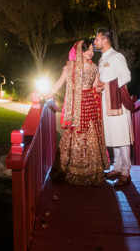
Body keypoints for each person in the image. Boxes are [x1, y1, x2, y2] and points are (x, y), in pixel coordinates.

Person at [48, 39, 110, 186]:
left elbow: (95, 86)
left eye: (91, 50)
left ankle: (92, 171)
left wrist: (100, 88)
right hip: (76, 106)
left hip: (91, 104)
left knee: (92, 136)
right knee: (75, 136)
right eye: (87, 50)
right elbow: (59, 83)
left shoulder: (94, 67)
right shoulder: (71, 67)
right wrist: (47, 94)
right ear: (79, 51)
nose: (90, 52)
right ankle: (73, 170)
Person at [94, 27, 133, 186]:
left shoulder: (117, 56)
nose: (95, 42)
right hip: (107, 101)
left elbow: (126, 76)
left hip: (118, 102)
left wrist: (107, 85)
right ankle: (117, 167)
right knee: (114, 135)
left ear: (105, 40)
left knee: (122, 137)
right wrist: (99, 87)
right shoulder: (102, 58)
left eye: (97, 39)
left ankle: (126, 172)